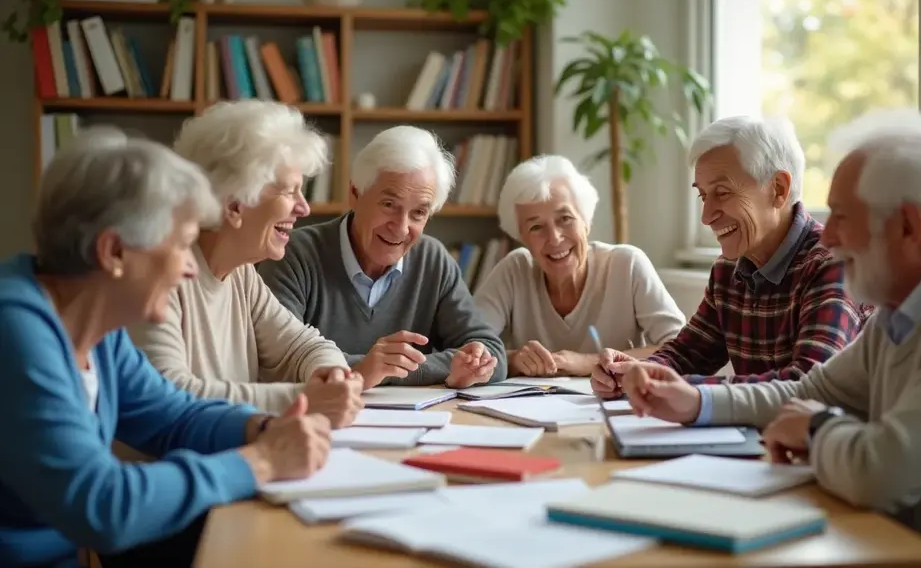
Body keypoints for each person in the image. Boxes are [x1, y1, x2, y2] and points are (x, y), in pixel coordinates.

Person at [620, 109, 921, 568]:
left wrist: (817, 427)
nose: (830, 235)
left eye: (841, 216)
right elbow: (809, 390)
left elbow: (880, 471)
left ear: (908, 226)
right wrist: (694, 404)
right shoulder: (903, 310)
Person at [0, 128, 334, 568]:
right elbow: (103, 505)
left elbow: (172, 416)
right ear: (114, 252)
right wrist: (261, 462)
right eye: (180, 245)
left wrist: (262, 430)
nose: (191, 268)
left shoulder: (98, 331)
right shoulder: (15, 331)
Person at [592, 115, 871, 398]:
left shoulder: (833, 266)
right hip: (765, 438)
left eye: (722, 193)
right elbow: (685, 354)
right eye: (703, 196)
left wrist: (682, 388)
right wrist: (638, 373)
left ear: (778, 189)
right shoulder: (728, 270)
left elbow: (808, 384)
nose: (706, 217)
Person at [128, 100, 362, 426]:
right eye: (289, 192)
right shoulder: (161, 274)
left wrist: (332, 374)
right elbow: (169, 394)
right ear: (235, 204)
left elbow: (302, 345)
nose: (304, 208)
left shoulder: (241, 274)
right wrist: (306, 399)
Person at [258, 125, 505, 390]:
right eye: (389, 205)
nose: (401, 228)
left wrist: (469, 367)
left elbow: (494, 356)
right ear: (355, 194)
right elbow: (279, 360)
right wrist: (368, 369)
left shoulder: (433, 260)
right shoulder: (294, 254)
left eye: (418, 214)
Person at [474, 155, 686, 377]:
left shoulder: (627, 264)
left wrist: (590, 362)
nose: (554, 238)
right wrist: (514, 360)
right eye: (536, 227)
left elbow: (682, 348)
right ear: (521, 236)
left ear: (586, 221)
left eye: (565, 218)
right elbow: (466, 347)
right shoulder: (514, 270)